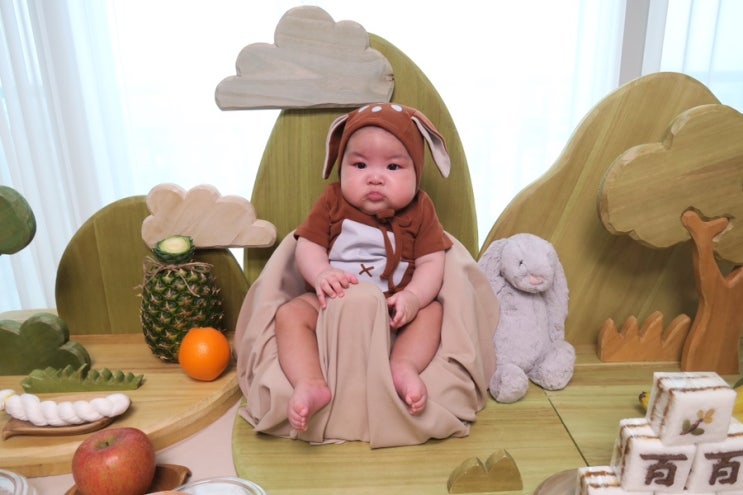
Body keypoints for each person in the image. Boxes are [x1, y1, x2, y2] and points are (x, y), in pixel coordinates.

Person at [274, 103, 453, 432]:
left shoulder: (420, 208)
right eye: (359, 165)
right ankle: (310, 381)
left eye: (393, 166)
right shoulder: (333, 202)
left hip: (393, 312)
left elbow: (432, 261)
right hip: (334, 306)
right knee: (289, 315)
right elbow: (308, 245)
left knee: (433, 312)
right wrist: (321, 273)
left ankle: (403, 365)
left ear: (416, 171)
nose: (375, 177)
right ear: (341, 166)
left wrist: (414, 298)